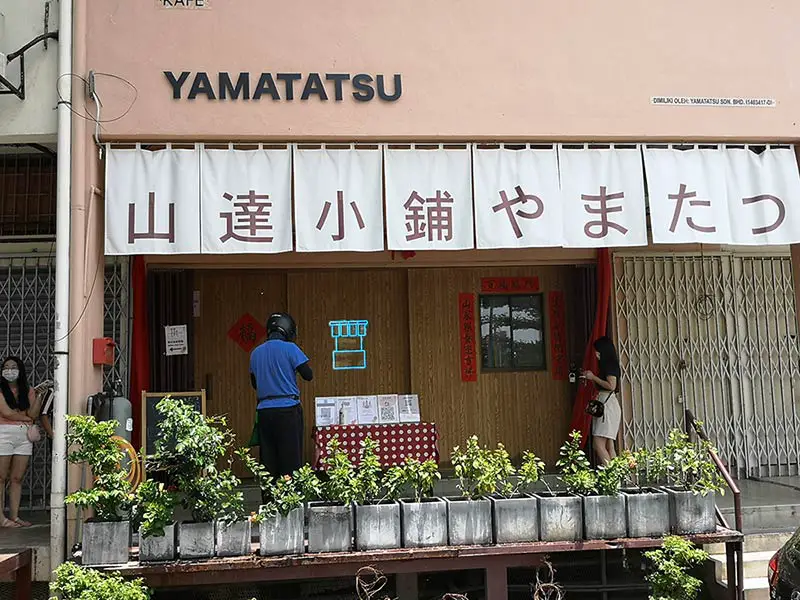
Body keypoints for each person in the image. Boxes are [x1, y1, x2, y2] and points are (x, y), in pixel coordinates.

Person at [250, 313, 313, 479]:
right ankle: (291, 501)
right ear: (288, 330)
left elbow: (254, 383)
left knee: (268, 460)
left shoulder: (256, 353)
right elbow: (308, 375)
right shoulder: (291, 349)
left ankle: (269, 501)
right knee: (291, 460)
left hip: (264, 412)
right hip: (288, 411)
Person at [0, 357, 41, 528]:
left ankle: (15, 516)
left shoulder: (28, 390)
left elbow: (34, 414)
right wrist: (26, 418)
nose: (10, 370)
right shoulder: (1, 391)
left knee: (17, 478)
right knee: (1, 478)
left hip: (24, 437)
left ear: (20, 370)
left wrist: (39, 396)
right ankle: (1, 517)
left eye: (13, 367)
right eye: (6, 367)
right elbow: (7, 413)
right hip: (4, 433)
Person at [582, 336, 621, 466]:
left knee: (598, 444)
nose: (596, 353)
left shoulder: (610, 365)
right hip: (607, 404)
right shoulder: (608, 364)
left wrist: (593, 377)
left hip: (607, 406)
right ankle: (616, 476)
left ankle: (610, 477)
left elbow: (611, 386)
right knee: (609, 445)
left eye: (597, 351)